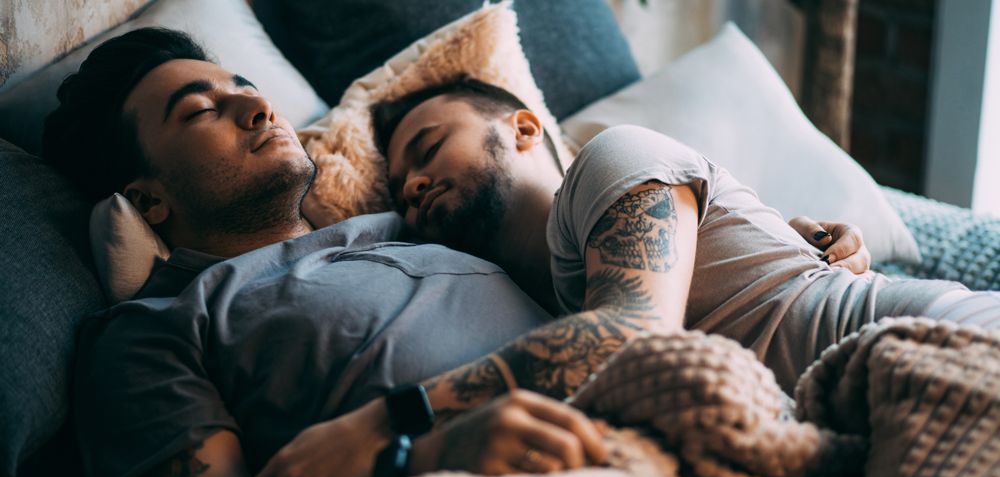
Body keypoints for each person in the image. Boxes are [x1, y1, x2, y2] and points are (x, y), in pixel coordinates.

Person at [44, 29, 877, 477]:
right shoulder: (149, 331)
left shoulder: (417, 226)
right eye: (201, 110)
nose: (252, 102)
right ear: (148, 201)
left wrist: (779, 236)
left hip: (689, 429)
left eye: (238, 83)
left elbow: (614, 276)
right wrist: (423, 455)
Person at [372, 77, 1000, 390]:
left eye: (428, 149)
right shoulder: (538, 305)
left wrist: (396, 422)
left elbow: (631, 337)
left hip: (937, 343)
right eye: (400, 186)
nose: (414, 185)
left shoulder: (611, 157)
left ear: (525, 129)